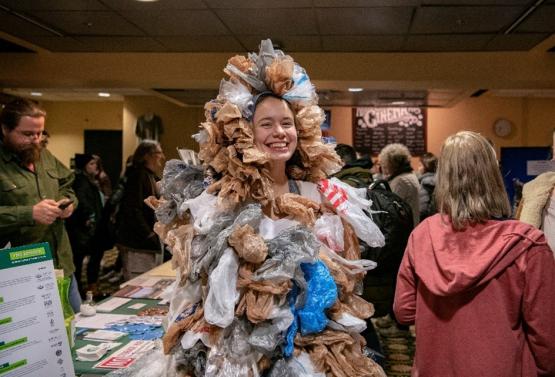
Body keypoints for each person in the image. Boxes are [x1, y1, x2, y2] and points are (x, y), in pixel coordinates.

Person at [153, 40, 386, 376]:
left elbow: (344, 283)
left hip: (309, 346)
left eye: (287, 123)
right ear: (244, 133)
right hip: (238, 352)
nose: (280, 133)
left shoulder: (318, 195)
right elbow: (196, 284)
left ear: (300, 129)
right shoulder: (221, 201)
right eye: (266, 124)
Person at [394, 131, 555, 376]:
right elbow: (546, 334)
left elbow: (404, 311)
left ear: (443, 177)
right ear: (494, 174)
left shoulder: (423, 234)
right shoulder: (527, 243)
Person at [0, 98, 81, 312]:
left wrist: (68, 203)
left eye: (40, 133)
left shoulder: (44, 155)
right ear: (5, 129)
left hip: (62, 265)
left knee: (78, 331)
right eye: (27, 134)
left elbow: (67, 185)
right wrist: (29, 213)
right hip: (21, 273)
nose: (36, 140)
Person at [116, 139, 165, 281]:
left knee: (151, 282)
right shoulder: (137, 176)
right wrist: (149, 234)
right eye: (159, 153)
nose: (162, 156)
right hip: (138, 245)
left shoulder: (149, 175)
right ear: (147, 156)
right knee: (140, 283)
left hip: (148, 242)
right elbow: (133, 210)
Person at [65, 153, 103, 297]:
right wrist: (89, 218)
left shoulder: (89, 180)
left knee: (83, 260)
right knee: (78, 261)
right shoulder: (81, 181)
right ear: (84, 166)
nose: (95, 167)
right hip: (83, 229)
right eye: (91, 164)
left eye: (95, 164)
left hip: (86, 228)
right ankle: (81, 291)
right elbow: (82, 202)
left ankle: (87, 288)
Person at [378, 143, 420, 227]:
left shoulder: (401, 181)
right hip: (412, 225)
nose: (383, 167)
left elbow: (391, 208)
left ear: (392, 163)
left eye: (385, 164)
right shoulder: (410, 175)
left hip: (404, 229)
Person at [417, 152, 438, 221]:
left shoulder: (425, 183)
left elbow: (423, 208)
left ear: (426, 166)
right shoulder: (440, 180)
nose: (418, 168)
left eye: (420, 165)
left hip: (426, 220)